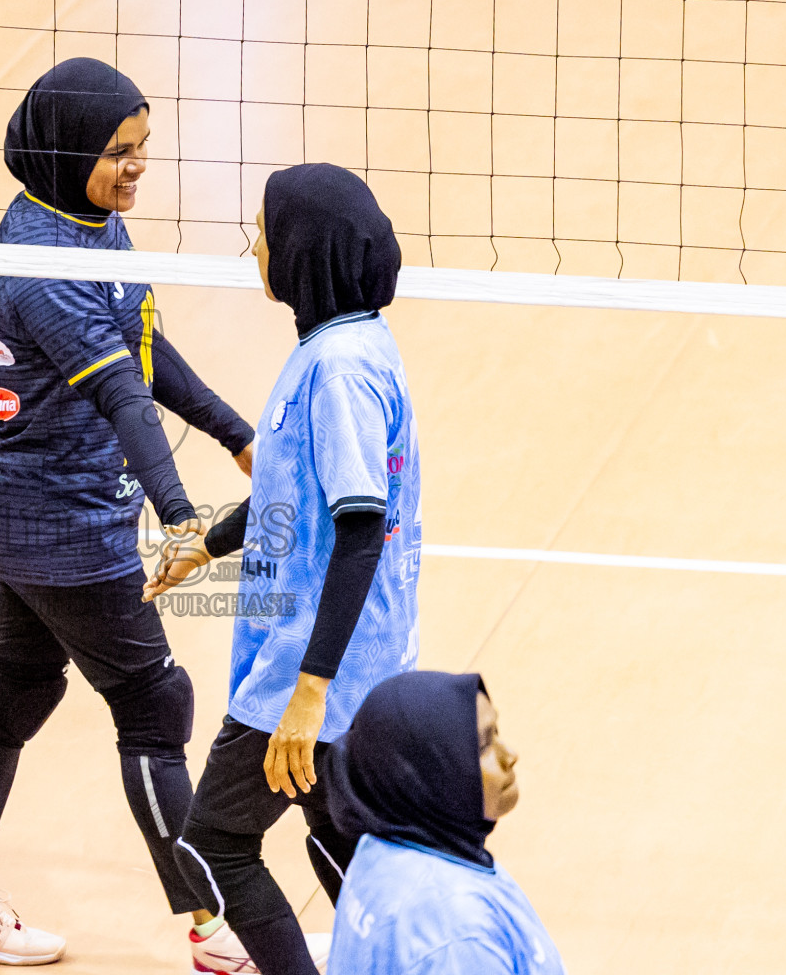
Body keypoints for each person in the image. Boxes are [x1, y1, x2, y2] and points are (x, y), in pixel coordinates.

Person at [0, 57, 257, 966]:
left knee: (16, 690)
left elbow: (137, 338)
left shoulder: (87, 218)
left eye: (144, 148)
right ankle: (220, 927)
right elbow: (123, 397)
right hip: (61, 521)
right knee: (153, 704)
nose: (136, 167)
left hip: (27, 507)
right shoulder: (43, 266)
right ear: (68, 152)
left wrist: (233, 432)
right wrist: (182, 515)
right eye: (119, 152)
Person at [143, 163, 419, 974]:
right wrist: (212, 543)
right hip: (349, 666)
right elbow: (298, 492)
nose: (253, 249)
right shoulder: (349, 346)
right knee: (343, 848)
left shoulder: (338, 372)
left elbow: (362, 529)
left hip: (310, 670)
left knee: (211, 847)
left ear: (302, 252)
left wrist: (309, 690)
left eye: (261, 234)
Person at [323, 672, 565, 974]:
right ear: (426, 776)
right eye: (484, 745)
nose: (510, 755)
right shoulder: (458, 937)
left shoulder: (382, 844)